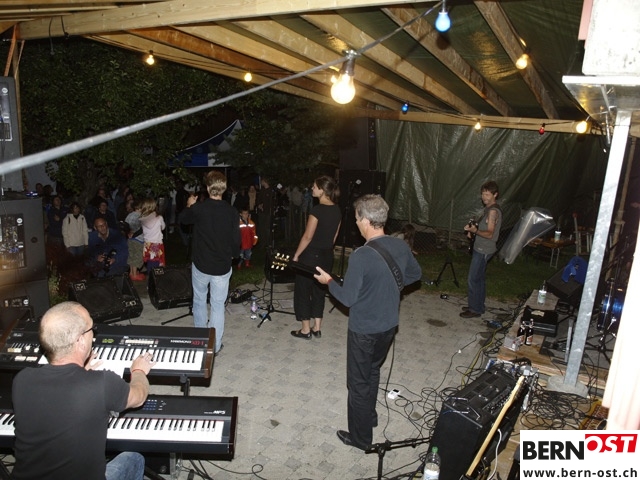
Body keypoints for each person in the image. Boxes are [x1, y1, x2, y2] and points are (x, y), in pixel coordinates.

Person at [314, 194, 422, 450]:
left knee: (358, 384)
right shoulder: (400, 246)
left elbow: (347, 298)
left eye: (356, 218)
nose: (355, 223)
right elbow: (415, 274)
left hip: (364, 330)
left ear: (365, 220)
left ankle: (361, 438)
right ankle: (369, 416)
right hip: (389, 326)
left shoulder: (361, 255)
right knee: (372, 371)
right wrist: (389, 288)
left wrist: (329, 282)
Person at [11, 301, 155, 480]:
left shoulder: (22, 379)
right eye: (91, 329)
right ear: (80, 341)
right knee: (134, 458)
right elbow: (139, 396)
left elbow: (62, 396)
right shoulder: (102, 383)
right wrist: (139, 371)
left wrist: (82, 373)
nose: (93, 334)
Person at [180, 171, 240, 355]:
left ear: (207, 188)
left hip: (201, 264)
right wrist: (234, 255)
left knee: (199, 300)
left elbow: (183, 219)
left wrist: (189, 205)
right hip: (221, 265)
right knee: (217, 305)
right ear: (224, 189)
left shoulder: (199, 208)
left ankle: (201, 340)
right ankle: (215, 346)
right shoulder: (231, 211)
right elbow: (236, 239)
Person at [290, 175, 342, 339]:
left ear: (322, 190)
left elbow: (307, 236)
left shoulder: (317, 210)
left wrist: (296, 255)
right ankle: (317, 327)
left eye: (314, 186)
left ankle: (305, 329)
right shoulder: (337, 209)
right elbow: (334, 237)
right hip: (327, 254)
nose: (312, 189)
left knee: (303, 290)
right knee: (320, 290)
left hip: (311, 255)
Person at [460, 180, 502, 318]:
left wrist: (475, 231)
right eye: (483, 194)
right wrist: (472, 231)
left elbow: (490, 234)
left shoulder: (493, 212)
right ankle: (478, 305)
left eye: (487, 194)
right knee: (479, 279)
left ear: (495, 195)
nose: (484, 197)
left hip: (484, 249)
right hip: (480, 247)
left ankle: (474, 310)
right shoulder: (488, 209)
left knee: (473, 279)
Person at [139, 197, 166, 270]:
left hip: (147, 244)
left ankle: (150, 274)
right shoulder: (159, 218)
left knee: (150, 261)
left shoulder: (142, 219)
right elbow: (163, 227)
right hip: (156, 243)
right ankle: (156, 276)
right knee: (157, 262)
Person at [125, 200, 145, 282]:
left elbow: (125, 225)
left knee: (132, 256)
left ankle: (131, 272)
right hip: (139, 240)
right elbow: (141, 229)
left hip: (130, 240)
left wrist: (128, 233)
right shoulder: (141, 217)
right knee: (137, 257)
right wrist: (134, 234)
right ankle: (134, 274)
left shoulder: (129, 215)